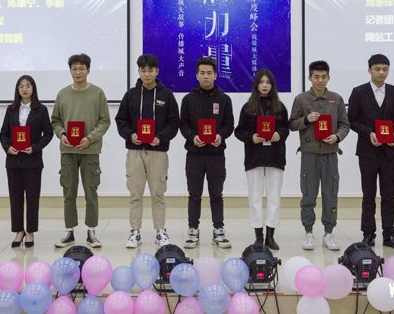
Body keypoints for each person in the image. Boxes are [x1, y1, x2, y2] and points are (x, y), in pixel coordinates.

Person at [115, 54, 180, 248]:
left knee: (158, 194)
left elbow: (174, 123)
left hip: (158, 152)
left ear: (157, 71)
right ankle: (135, 232)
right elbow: (121, 120)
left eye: (150, 70)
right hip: (135, 152)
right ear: (139, 72)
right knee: (135, 194)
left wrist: (160, 137)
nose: (147, 74)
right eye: (143, 70)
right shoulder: (131, 95)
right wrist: (130, 135)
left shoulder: (166, 95)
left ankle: (160, 231)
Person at [347, 54, 394, 250]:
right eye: (377, 69)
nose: (381, 73)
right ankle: (368, 234)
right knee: (369, 194)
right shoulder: (359, 92)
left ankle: (389, 234)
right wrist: (369, 133)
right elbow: (351, 120)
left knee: (389, 195)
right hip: (367, 151)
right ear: (369, 70)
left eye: (385, 69)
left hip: (389, 151)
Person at [51, 54, 111, 248]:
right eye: (74, 69)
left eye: (81, 68)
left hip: (90, 150)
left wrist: (90, 138)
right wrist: (62, 134)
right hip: (67, 150)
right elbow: (55, 120)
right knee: (68, 191)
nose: (77, 72)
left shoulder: (98, 93)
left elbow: (105, 121)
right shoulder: (62, 94)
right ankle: (69, 231)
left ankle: (91, 231)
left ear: (88, 70)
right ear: (70, 70)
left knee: (91, 192)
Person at [289, 60, 350, 251]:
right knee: (308, 194)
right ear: (310, 77)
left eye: (324, 77)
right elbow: (291, 124)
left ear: (328, 78)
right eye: (316, 77)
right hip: (309, 153)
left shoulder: (336, 99)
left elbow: (345, 124)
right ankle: (308, 232)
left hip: (330, 153)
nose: (320, 80)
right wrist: (306, 120)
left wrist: (337, 137)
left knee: (330, 194)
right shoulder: (301, 99)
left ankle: (328, 233)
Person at [180, 57, 234, 249]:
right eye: (202, 73)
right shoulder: (188, 99)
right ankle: (193, 230)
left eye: (209, 73)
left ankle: (218, 230)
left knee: (216, 194)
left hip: (216, 155)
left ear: (215, 75)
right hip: (194, 154)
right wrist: (192, 136)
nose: (206, 76)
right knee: (194, 194)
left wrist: (220, 135)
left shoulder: (224, 99)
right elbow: (183, 124)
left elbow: (229, 125)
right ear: (196, 75)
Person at [234, 69, 289, 250]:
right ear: (256, 85)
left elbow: (286, 129)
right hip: (254, 157)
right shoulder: (248, 107)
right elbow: (239, 131)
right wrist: (251, 137)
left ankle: (270, 236)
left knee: (274, 197)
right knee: (255, 198)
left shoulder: (280, 107)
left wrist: (278, 135)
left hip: (275, 157)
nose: (264, 86)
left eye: (268, 82)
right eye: (261, 82)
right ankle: (258, 235)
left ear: (272, 85)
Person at [0, 75, 54, 248]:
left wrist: (35, 147)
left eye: (28, 86)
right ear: (17, 89)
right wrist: (8, 147)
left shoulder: (41, 109)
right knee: (15, 197)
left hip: (33, 160)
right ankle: (18, 230)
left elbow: (49, 133)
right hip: (13, 160)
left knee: (32, 197)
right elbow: (3, 134)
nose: (24, 89)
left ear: (33, 89)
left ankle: (30, 231)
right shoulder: (11, 109)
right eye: (21, 86)